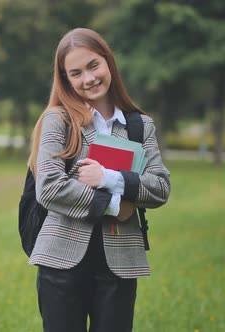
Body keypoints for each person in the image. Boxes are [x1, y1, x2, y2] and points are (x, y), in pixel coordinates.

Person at [27, 28, 171, 332]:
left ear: (108, 63)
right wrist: (115, 204)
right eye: (75, 73)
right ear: (65, 79)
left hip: (120, 261)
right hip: (60, 260)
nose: (88, 78)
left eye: (93, 65)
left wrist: (110, 178)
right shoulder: (59, 120)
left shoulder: (140, 126)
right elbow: (50, 189)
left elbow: (160, 187)